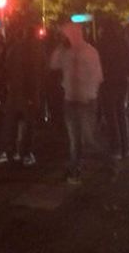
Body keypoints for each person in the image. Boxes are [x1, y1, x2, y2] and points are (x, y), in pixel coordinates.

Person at [50, 22, 104, 185]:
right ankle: (75, 170)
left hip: (86, 100)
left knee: (89, 139)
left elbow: (98, 76)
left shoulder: (89, 52)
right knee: (75, 140)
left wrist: (87, 92)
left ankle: (109, 163)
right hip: (71, 99)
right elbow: (53, 64)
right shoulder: (66, 52)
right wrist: (60, 47)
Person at [0, 26, 41, 166]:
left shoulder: (28, 50)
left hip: (23, 91)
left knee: (23, 123)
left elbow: (35, 71)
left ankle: (24, 152)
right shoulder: (16, 49)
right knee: (12, 122)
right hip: (17, 91)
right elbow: (6, 69)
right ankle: (12, 151)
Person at [97, 20, 129, 160]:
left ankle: (115, 148)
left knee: (111, 116)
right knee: (121, 114)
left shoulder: (102, 45)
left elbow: (100, 64)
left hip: (108, 82)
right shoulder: (122, 42)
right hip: (122, 81)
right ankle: (126, 147)